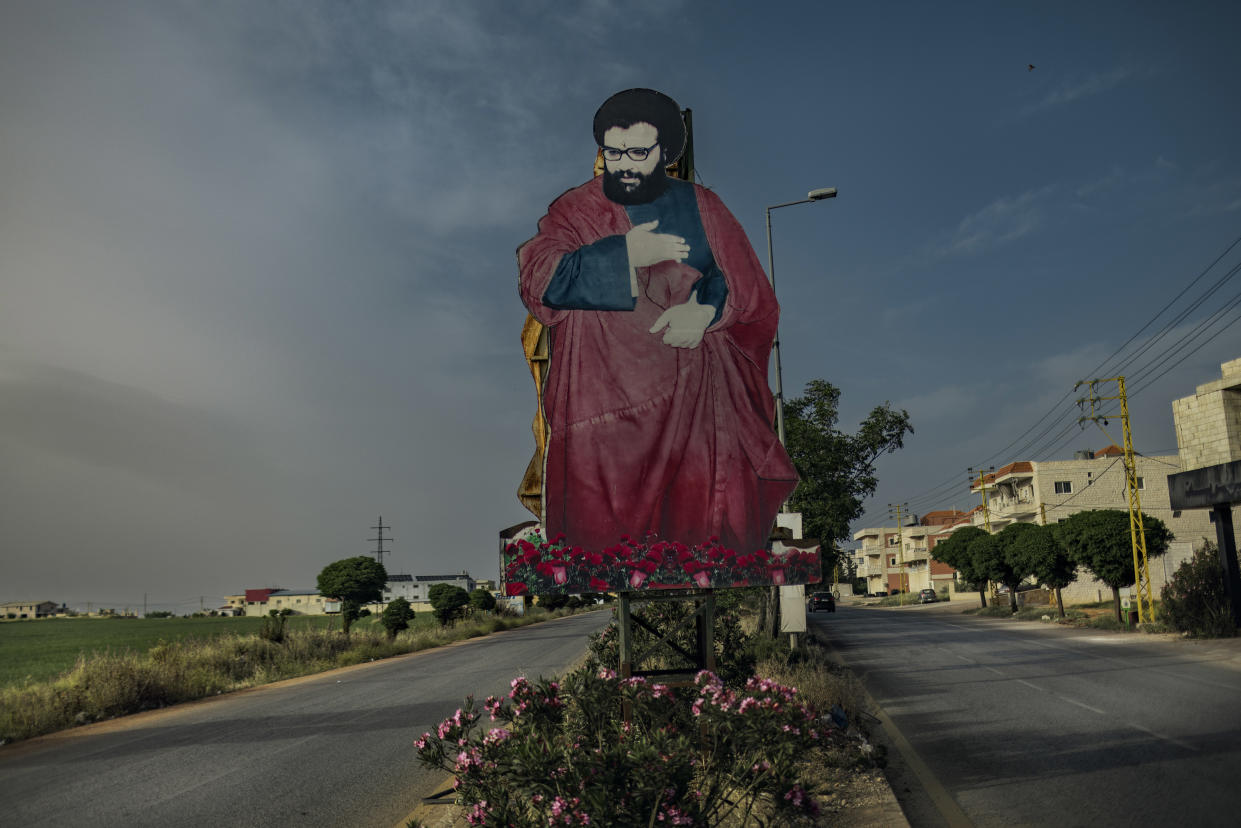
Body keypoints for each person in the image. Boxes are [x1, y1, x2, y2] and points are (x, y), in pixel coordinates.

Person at [517, 88, 797, 555]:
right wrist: (625, 253)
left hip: (696, 399)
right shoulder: (576, 210)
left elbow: (748, 287)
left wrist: (705, 311)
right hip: (602, 403)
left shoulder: (703, 206)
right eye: (613, 152)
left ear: (666, 153)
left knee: (698, 522)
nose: (623, 164)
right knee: (609, 541)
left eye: (638, 152)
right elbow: (538, 277)